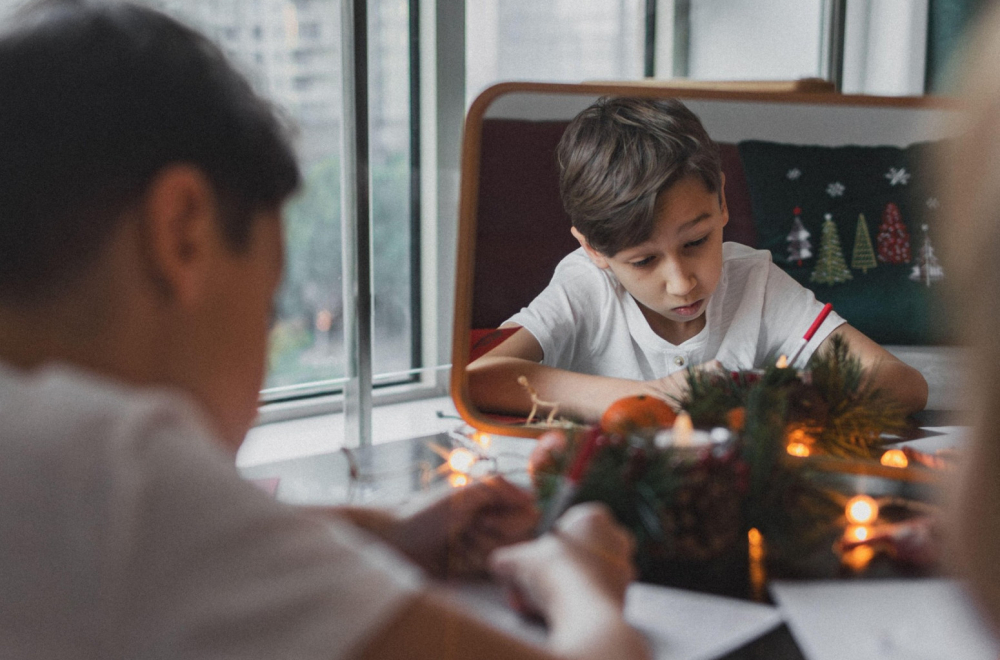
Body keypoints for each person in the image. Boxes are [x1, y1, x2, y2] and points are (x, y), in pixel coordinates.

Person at [0, 3, 649, 659]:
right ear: (182, 232)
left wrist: (386, 534)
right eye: (267, 305)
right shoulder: (118, 473)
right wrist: (582, 583)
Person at [468, 96, 928, 423]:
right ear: (594, 250)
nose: (682, 283)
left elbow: (903, 383)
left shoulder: (756, 283)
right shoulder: (586, 285)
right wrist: (645, 398)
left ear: (722, 201)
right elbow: (478, 376)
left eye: (696, 242)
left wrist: (765, 395)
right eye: (644, 261)